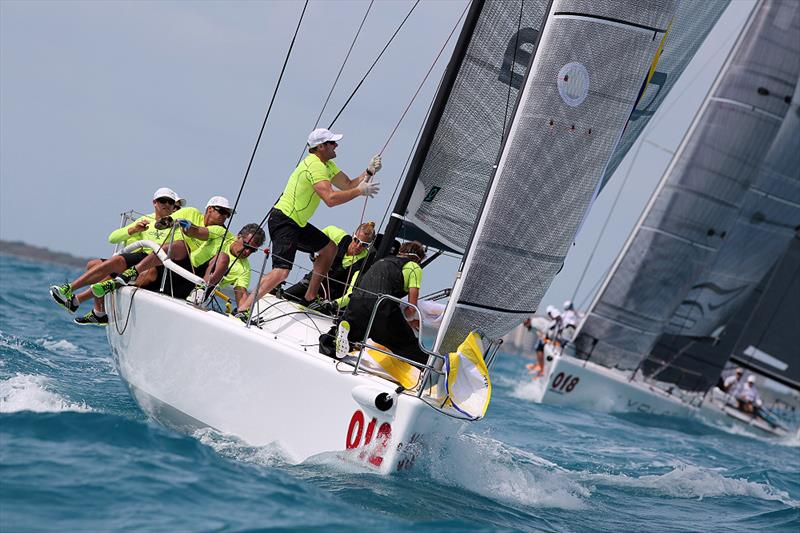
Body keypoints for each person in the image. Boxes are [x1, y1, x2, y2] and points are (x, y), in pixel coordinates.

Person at [238, 128, 381, 312]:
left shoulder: (327, 166)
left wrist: (369, 171)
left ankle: (309, 297)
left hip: (297, 223)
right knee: (281, 272)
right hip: (285, 219)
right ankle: (243, 309)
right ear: (320, 146)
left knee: (330, 249)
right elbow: (330, 199)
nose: (336, 145)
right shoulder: (315, 166)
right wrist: (360, 191)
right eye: (332, 143)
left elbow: (348, 184)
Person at [49, 187, 185, 324]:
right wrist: (134, 229)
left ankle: (77, 298)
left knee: (114, 267)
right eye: (163, 201)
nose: (168, 205)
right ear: (155, 202)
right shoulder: (146, 220)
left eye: (172, 203)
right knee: (93, 264)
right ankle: (96, 310)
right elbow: (113, 238)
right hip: (134, 257)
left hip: (153, 263)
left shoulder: (178, 225)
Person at [91, 196, 234, 300]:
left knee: (222, 257)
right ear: (209, 209)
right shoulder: (190, 212)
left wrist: (187, 226)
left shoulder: (222, 232)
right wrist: (168, 223)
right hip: (171, 266)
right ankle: (123, 279)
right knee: (94, 264)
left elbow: (197, 232)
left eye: (228, 214)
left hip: (192, 276)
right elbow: (161, 224)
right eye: (222, 211)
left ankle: (201, 291)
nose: (225, 217)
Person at [326, 241, 427, 364]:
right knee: (406, 342)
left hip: (357, 302)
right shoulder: (414, 267)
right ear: (418, 259)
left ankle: (339, 338)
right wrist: (409, 318)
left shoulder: (383, 261)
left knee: (357, 333)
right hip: (381, 306)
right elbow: (412, 307)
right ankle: (424, 370)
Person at [283, 222, 376, 311]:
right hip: (311, 283)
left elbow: (350, 293)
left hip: (329, 299)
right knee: (282, 297)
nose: (358, 246)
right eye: (356, 240)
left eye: (364, 245)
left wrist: (334, 304)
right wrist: (315, 250)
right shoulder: (340, 237)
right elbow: (327, 230)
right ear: (353, 235)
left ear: (368, 246)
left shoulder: (364, 262)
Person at [187, 223, 266, 310]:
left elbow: (242, 293)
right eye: (246, 245)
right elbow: (195, 231)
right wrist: (185, 224)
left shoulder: (244, 269)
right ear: (238, 236)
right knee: (180, 245)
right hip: (186, 271)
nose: (247, 251)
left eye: (252, 250)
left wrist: (244, 311)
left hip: (202, 293)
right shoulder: (221, 234)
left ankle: (200, 290)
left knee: (223, 258)